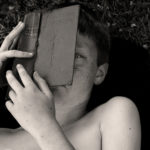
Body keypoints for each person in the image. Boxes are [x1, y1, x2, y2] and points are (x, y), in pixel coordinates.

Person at [0, 4, 141, 150]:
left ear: (99, 73)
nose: (61, 65)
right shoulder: (3, 138)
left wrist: (43, 126)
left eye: (76, 56)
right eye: (46, 53)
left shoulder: (112, 115)